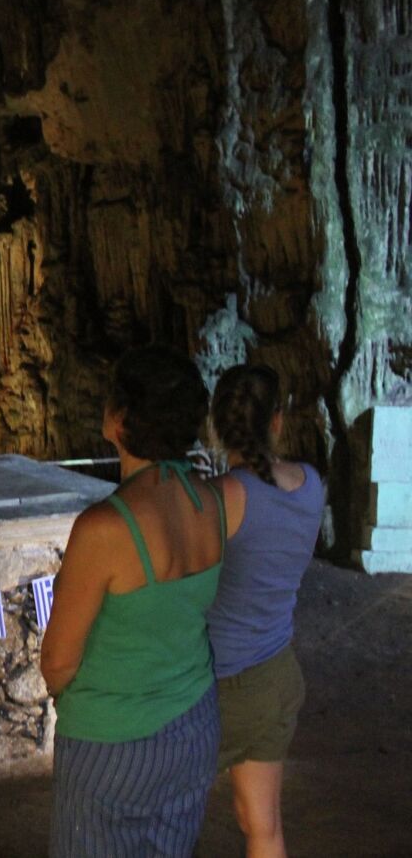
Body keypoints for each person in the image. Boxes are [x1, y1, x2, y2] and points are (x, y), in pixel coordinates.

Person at [42, 344, 225, 857]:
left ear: (121, 418)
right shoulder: (210, 501)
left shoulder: (104, 528)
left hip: (112, 744)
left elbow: (58, 659)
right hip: (194, 726)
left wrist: (75, 704)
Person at [206, 365, 324, 858]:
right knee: (263, 825)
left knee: (161, 817)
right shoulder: (312, 485)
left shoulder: (220, 498)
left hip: (216, 685)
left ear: (214, 426)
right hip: (276, 675)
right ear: (277, 421)